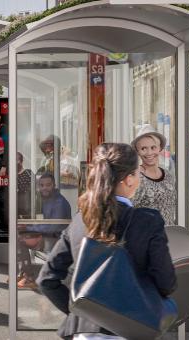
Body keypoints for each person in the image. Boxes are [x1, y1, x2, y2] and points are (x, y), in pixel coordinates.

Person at [38, 143, 176, 339]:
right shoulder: (147, 221)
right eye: (138, 174)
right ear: (128, 179)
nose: (139, 180)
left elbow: (46, 279)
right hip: (131, 330)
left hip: (83, 333)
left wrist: (85, 311)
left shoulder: (80, 220)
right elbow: (166, 283)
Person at [131, 125, 178, 226]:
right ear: (137, 151)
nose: (149, 153)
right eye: (143, 148)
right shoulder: (135, 177)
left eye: (153, 147)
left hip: (169, 237)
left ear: (160, 148)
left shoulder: (168, 175)